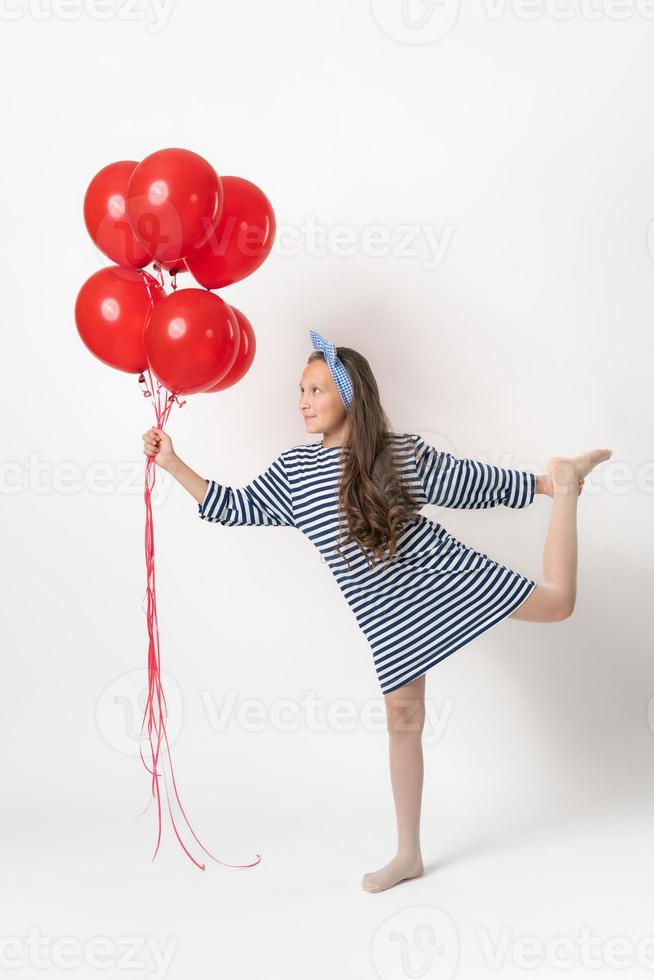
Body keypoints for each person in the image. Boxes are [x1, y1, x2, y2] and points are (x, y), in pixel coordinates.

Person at [142, 329, 612, 894]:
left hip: (447, 577)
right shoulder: (294, 472)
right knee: (403, 724)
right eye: (301, 390)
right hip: (388, 621)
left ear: (350, 395)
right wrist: (173, 463)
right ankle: (408, 854)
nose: (303, 401)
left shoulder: (397, 454)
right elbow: (231, 507)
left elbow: (475, 485)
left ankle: (565, 485)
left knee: (559, 604)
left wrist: (541, 483)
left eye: (316, 389)